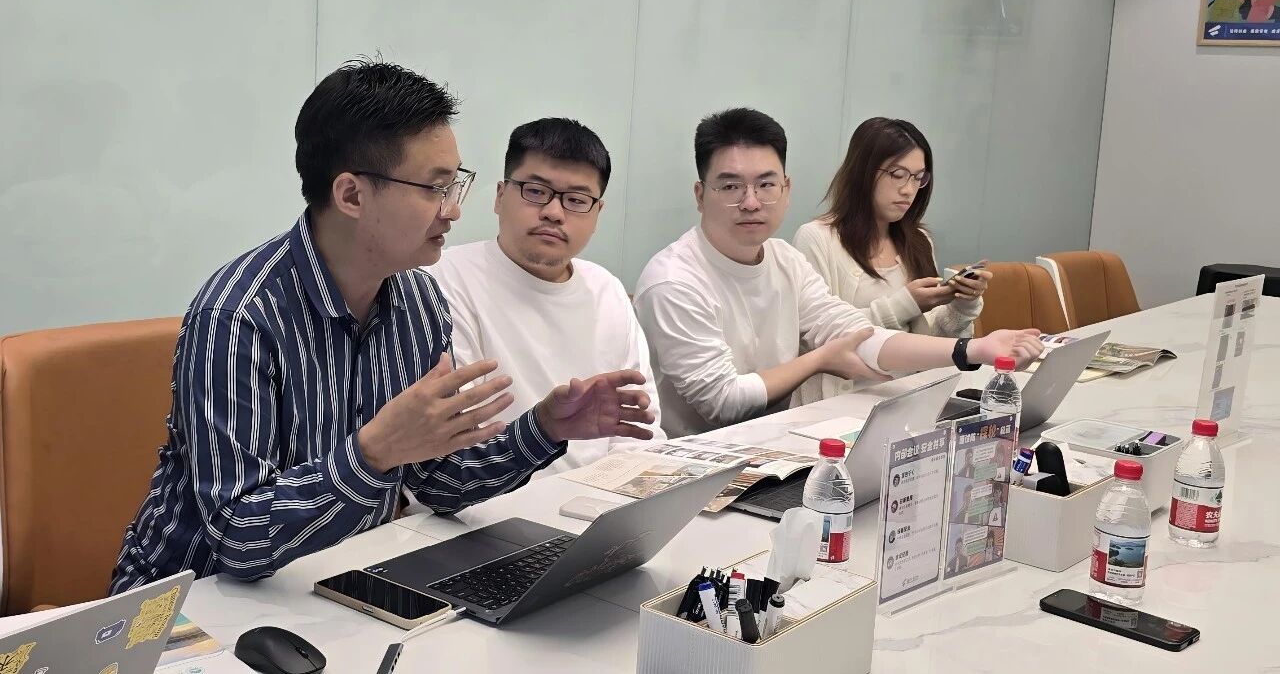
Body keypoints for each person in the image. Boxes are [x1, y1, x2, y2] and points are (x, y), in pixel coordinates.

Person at [110, 60, 656, 592]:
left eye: (455, 185)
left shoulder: (419, 302)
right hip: (189, 602)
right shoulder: (239, 318)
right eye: (434, 188)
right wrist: (371, 455)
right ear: (351, 195)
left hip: (334, 581)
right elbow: (237, 536)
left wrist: (544, 428)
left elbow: (439, 484)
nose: (452, 211)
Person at [633, 108, 1042, 438]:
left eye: (766, 185)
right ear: (700, 195)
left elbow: (854, 333)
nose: (751, 202)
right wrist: (819, 360)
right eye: (730, 187)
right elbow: (722, 402)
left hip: (776, 443)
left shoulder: (784, 259)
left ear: (786, 190)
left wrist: (973, 350)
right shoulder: (674, 280)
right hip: (694, 463)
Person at [430, 118, 664, 474]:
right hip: (491, 496)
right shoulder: (443, 280)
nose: (554, 213)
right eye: (536, 191)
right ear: (500, 196)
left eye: (576, 200)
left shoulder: (607, 290)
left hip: (602, 494)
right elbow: (458, 448)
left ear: (597, 213)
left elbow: (639, 429)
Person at [793, 117, 992, 403]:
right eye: (897, 174)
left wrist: (963, 303)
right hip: (839, 403)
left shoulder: (918, 240)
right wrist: (906, 304)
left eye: (918, 177)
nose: (909, 189)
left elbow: (931, 342)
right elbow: (822, 336)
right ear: (863, 172)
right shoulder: (817, 238)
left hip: (909, 397)